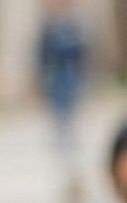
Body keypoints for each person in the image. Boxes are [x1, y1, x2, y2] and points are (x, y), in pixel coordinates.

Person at [37, 0, 88, 151]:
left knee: (70, 104)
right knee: (57, 106)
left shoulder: (75, 26)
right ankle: (61, 134)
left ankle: (68, 134)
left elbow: (81, 53)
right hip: (56, 73)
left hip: (70, 72)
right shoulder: (49, 27)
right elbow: (43, 53)